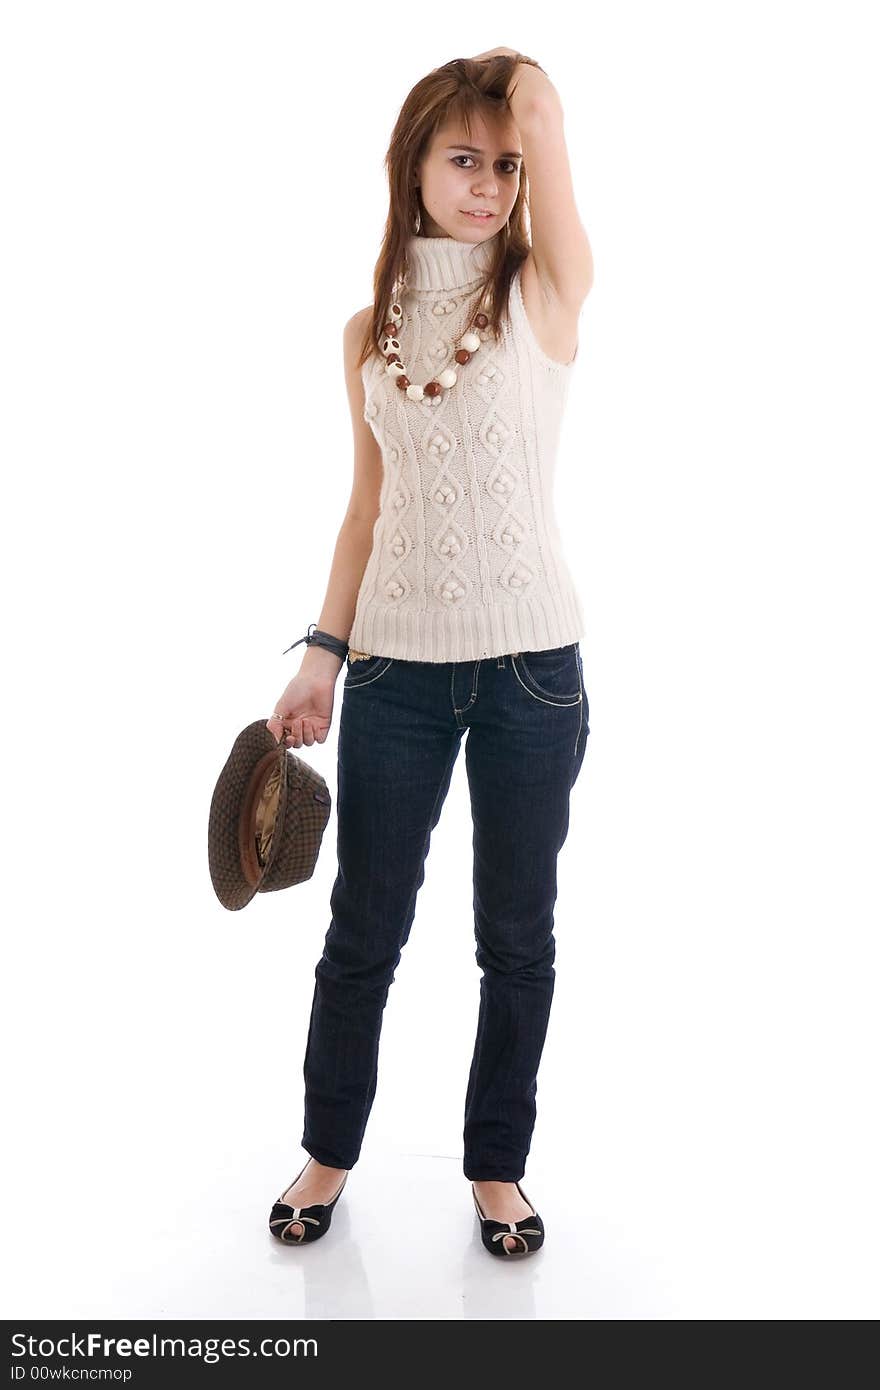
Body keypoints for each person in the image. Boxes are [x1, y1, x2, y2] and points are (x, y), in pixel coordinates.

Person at [266, 48, 594, 1258]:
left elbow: (543, 106)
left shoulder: (545, 295)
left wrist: (507, 90)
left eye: (504, 166)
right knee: (364, 928)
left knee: (516, 935)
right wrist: (322, 658)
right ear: (411, 164)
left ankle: (496, 1168)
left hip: (530, 674)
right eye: (462, 159)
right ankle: (327, 1150)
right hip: (395, 674)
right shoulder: (369, 327)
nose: (490, 184)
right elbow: (365, 510)